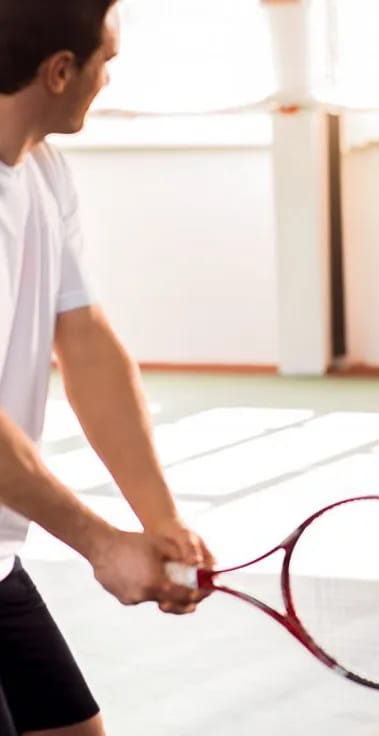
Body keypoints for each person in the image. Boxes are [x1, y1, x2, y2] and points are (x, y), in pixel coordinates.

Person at [0, 1, 214, 734]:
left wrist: (159, 523)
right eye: (106, 63)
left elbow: (85, 341)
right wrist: (100, 543)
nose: (108, 80)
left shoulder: (41, 171)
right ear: (60, 71)